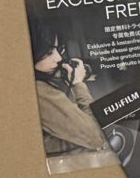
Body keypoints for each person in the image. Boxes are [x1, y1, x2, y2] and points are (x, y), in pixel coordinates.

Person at [29, 17, 108, 157]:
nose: (59, 58)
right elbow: (98, 137)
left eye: (58, 50)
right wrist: (78, 83)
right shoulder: (40, 92)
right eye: (49, 53)